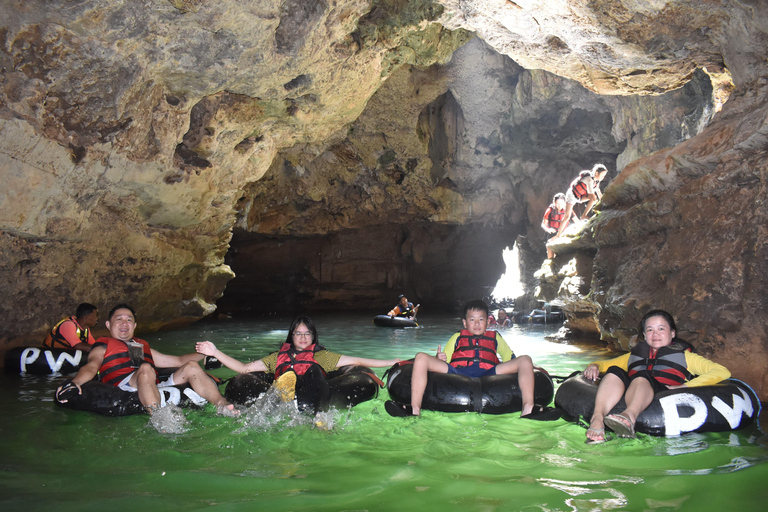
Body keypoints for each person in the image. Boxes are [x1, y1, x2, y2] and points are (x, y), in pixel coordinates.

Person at [55, 304, 238, 416]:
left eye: (129, 320)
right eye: (119, 319)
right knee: (146, 369)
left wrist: (208, 354)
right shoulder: (103, 346)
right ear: (109, 325)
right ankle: (159, 417)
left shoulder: (141, 346)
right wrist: (75, 382)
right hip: (124, 386)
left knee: (190, 366)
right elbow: (91, 367)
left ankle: (222, 405)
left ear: (134, 325)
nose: (124, 323)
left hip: (151, 384)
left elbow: (178, 360)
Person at [583, 309, 731, 444]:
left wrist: (685, 386)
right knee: (615, 370)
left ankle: (629, 417)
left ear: (672, 333)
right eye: (650, 330)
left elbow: (722, 371)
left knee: (642, 375)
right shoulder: (633, 356)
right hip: (632, 393)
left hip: (662, 395)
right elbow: (605, 364)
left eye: (661, 329)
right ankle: (597, 419)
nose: (655, 334)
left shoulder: (686, 357)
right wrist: (595, 366)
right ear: (644, 335)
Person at [195, 315, 401, 410]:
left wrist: (392, 361)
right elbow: (244, 369)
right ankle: (284, 392)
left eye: (307, 333)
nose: (303, 338)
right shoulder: (277, 358)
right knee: (278, 377)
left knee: (313, 371)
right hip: (284, 396)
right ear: (291, 337)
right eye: (298, 333)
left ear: (313, 337)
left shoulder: (322, 356)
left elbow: (356, 361)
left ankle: (317, 410)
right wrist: (215, 352)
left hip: (314, 392)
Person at [385, 299, 537, 417]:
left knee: (525, 360)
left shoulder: (495, 337)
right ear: (465, 322)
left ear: (488, 321)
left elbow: (510, 358)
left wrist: (529, 368)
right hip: (458, 372)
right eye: (472, 320)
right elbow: (444, 360)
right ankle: (415, 408)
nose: (477, 323)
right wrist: (438, 357)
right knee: (420, 357)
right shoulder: (457, 337)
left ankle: (528, 408)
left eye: (481, 319)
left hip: (489, 372)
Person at [555, 164, 609, 238]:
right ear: (596, 173)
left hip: (580, 197)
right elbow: (592, 195)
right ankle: (558, 235)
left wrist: (604, 204)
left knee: (594, 198)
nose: (603, 177)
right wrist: (598, 206)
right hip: (572, 196)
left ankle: (583, 216)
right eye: (602, 175)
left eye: (604, 175)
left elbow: (599, 194)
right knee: (567, 216)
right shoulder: (589, 179)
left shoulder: (596, 182)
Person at [541, 193, 578, 258]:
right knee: (549, 244)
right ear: (554, 202)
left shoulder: (568, 210)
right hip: (553, 233)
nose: (559, 205)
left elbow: (577, 221)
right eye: (557, 203)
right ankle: (550, 261)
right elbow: (543, 224)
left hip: (563, 232)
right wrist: (548, 229)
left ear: (565, 202)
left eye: (561, 203)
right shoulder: (550, 210)